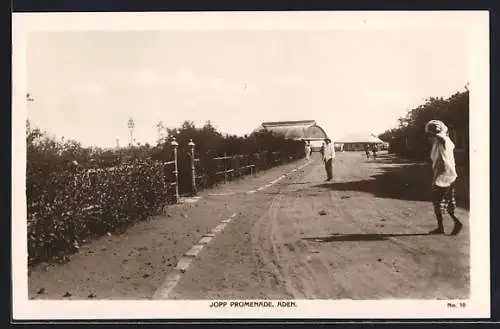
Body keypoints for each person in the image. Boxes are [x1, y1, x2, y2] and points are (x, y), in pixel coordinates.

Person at [425, 120, 462, 235]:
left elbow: (441, 138)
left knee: (437, 202)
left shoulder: (444, 141)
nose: (429, 138)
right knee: (448, 201)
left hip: (444, 177)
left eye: (430, 135)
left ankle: (442, 227)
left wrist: (435, 132)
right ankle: (455, 223)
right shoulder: (438, 144)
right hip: (448, 176)